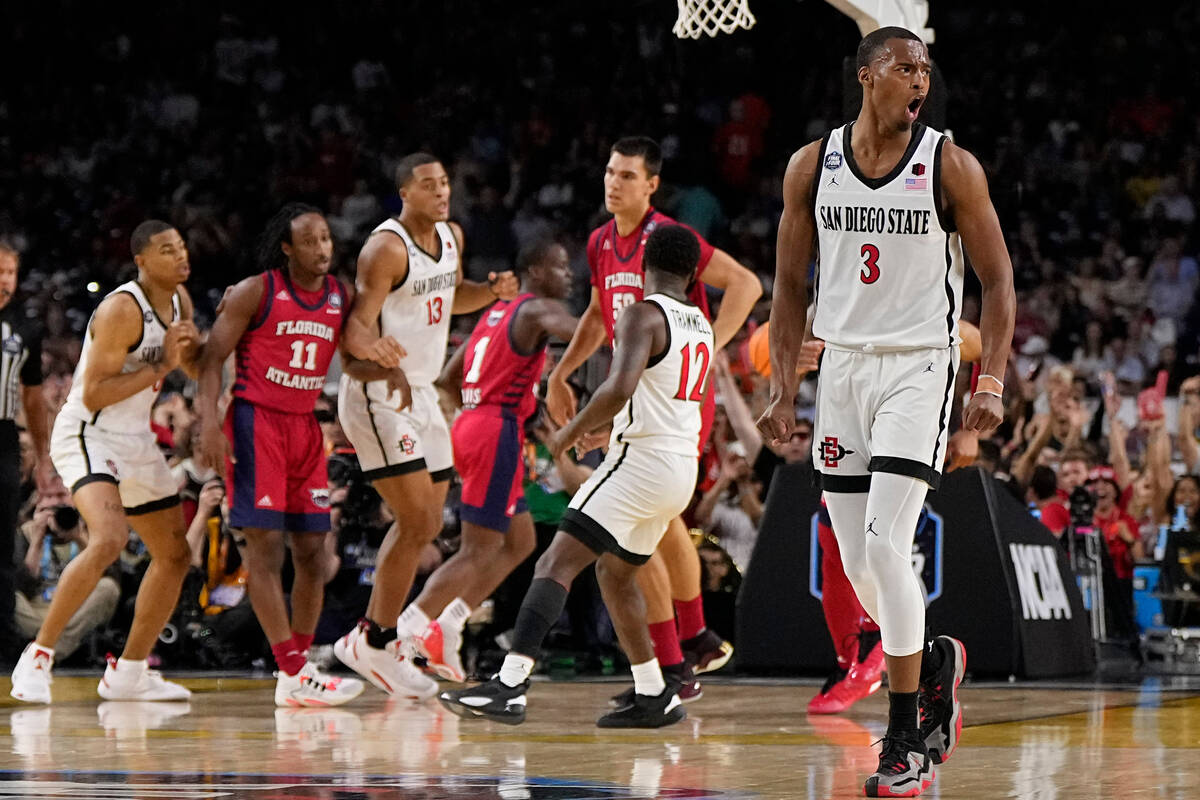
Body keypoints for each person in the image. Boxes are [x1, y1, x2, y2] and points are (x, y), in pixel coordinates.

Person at [757, 28, 1015, 797]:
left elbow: (998, 282)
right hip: (841, 371)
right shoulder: (812, 165)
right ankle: (933, 658)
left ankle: (906, 735)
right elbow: (789, 286)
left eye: (926, 70)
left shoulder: (950, 165)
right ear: (868, 76)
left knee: (885, 541)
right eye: (906, 68)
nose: (919, 81)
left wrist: (991, 381)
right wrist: (780, 388)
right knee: (862, 562)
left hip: (919, 368)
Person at [440, 223, 712, 728]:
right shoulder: (699, 322)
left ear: (642, 266)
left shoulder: (643, 313)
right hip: (678, 467)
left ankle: (510, 685)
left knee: (555, 562)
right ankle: (655, 691)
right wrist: (602, 432)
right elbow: (654, 395)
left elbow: (617, 387)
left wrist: (567, 436)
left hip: (641, 464)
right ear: (694, 273)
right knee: (616, 573)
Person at [546, 136, 761, 701]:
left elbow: (745, 283)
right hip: (632, 394)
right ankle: (694, 640)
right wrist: (561, 373)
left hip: (673, 394)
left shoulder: (670, 239)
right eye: (610, 172)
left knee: (648, 520)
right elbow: (597, 313)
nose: (613, 183)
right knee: (657, 523)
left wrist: (712, 343)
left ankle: (680, 651)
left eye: (626, 176)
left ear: (651, 185)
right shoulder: (599, 242)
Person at [333, 152, 519, 699]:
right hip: (379, 392)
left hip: (423, 391)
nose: (442, 193)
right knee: (415, 520)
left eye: (445, 183)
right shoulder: (385, 248)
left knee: (428, 521)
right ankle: (374, 639)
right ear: (404, 194)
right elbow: (355, 329)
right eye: (430, 186)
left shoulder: (452, 235)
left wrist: (489, 293)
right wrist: (376, 352)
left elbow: (448, 295)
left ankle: (376, 638)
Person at [196, 204, 394, 708]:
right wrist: (209, 426)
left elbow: (352, 361)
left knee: (313, 552)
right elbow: (211, 360)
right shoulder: (255, 291)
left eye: (326, 238)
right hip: (255, 423)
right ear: (287, 248)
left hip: (306, 428)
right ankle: (291, 666)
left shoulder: (339, 296)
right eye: (310, 240)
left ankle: (296, 670)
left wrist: (387, 368)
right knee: (266, 550)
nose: (322, 248)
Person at [11, 220, 201, 704]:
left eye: (181, 247)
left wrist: (202, 357)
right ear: (141, 260)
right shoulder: (122, 308)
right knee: (110, 537)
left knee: (175, 555)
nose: (180, 256)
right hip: (88, 431)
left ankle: (130, 672)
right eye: (166, 249)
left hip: (135, 436)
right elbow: (93, 393)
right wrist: (162, 367)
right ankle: (38, 656)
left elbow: (189, 365)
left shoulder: (181, 301)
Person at [410, 240, 577, 681]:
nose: (570, 275)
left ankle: (448, 625)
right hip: (495, 430)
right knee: (477, 549)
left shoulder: (492, 315)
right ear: (536, 271)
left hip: (473, 423)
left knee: (520, 542)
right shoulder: (536, 309)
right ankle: (403, 635)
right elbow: (582, 331)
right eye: (560, 266)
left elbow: (448, 379)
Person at [0, 242, 54, 660]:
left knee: (2, 541)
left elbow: (33, 400)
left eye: (10, 272)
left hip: (3, 436)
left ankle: (3, 637)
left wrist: (44, 456)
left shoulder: (25, 326)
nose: (4, 280)